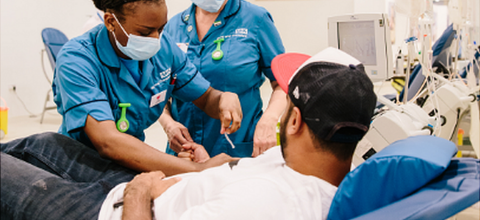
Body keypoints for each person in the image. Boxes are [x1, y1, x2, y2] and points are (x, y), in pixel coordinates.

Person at [1, 47, 377, 220]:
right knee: (43, 143)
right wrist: (211, 169)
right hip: (151, 187)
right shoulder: (313, 165)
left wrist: (139, 192)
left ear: (294, 122)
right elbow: (242, 171)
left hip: (111, 209)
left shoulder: (263, 205)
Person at [52, 0, 242, 175]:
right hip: (79, 166)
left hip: (129, 162)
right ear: (110, 22)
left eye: (160, 29)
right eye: (144, 32)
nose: (155, 39)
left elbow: (205, 98)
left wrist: (224, 99)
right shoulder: (77, 59)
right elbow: (108, 142)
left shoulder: (165, 49)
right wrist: (197, 169)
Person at [159, 0, 286, 158]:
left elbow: (282, 83)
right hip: (183, 152)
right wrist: (168, 124)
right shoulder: (173, 27)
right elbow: (158, 89)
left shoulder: (256, 20)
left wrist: (270, 119)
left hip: (236, 147)